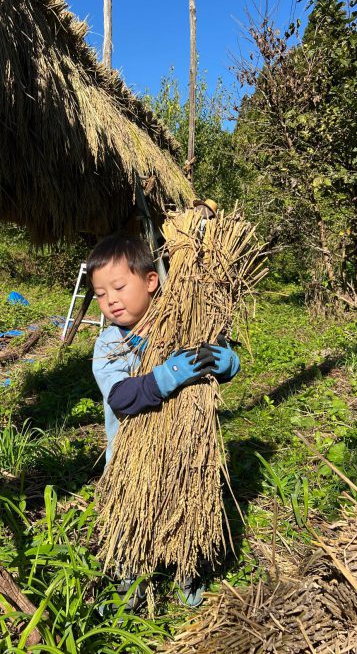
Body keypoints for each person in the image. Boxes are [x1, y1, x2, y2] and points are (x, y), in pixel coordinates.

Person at [87, 233, 240, 611]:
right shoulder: (110, 344)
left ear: (151, 281)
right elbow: (121, 397)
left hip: (186, 454)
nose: (111, 300)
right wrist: (169, 374)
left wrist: (224, 361)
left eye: (119, 287)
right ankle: (130, 579)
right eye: (101, 294)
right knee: (131, 522)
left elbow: (219, 363)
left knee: (185, 510)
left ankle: (186, 569)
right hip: (131, 463)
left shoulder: (185, 326)